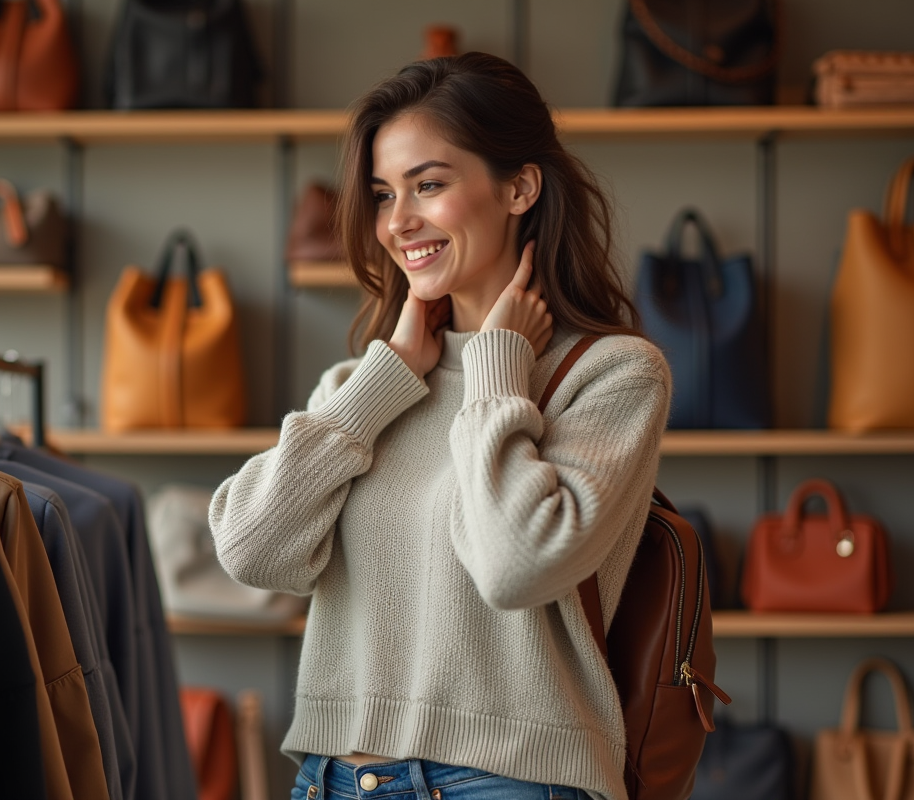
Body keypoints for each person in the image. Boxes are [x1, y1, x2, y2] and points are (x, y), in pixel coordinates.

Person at [209, 52, 670, 800]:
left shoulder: (613, 375)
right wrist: (385, 376)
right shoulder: (365, 387)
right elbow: (253, 553)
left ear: (519, 187)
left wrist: (497, 364)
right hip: (332, 777)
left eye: (430, 185)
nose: (398, 223)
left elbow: (517, 565)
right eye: (385, 193)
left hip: (509, 782)